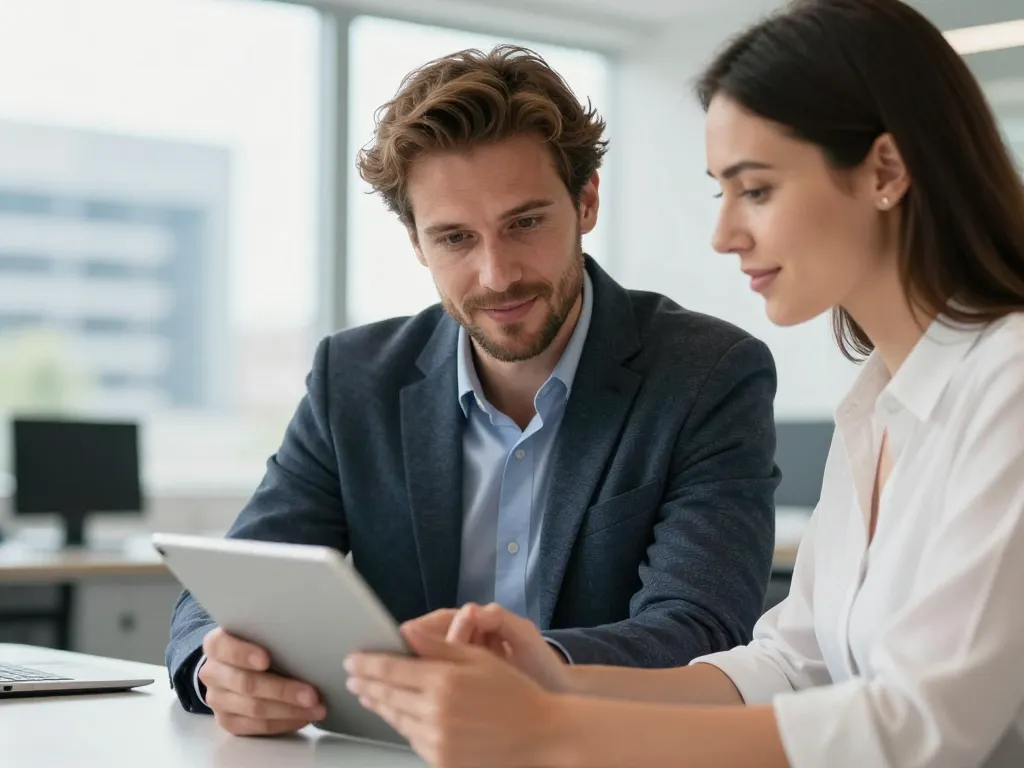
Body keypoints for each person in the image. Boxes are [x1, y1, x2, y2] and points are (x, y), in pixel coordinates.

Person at [343, 1, 1024, 766]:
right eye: (721, 192)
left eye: (757, 189)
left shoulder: (1010, 384)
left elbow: (924, 728)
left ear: (885, 172)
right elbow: (793, 666)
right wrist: (554, 680)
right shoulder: (878, 407)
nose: (724, 234)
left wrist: (549, 732)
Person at [165, 44, 781, 736]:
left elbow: (702, 627)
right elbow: (234, 586)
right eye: (455, 238)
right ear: (416, 243)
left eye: (524, 223)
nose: (496, 275)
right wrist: (217, 666)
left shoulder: (708, 373)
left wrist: (522, 677)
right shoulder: (354, 378)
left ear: (586, 201)